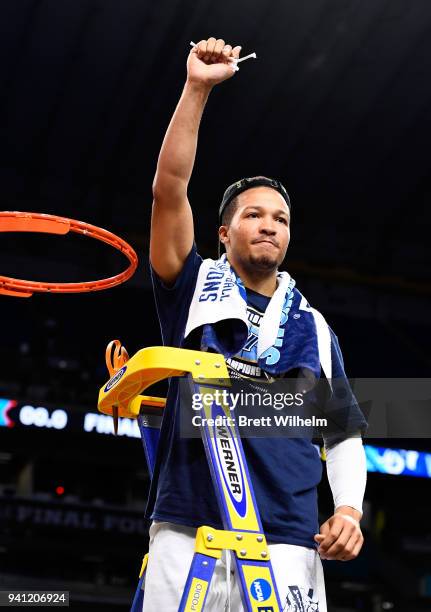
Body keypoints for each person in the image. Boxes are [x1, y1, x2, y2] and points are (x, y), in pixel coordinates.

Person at [142, 37, 368, 612]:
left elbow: (342, 433)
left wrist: (347, 509)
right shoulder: (192, 288)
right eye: (254, 215)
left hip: (290, 538)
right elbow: (169, 190)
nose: (270, 226)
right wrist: (196, 88)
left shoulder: (314, 328)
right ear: (223, 232)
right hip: (189, 525)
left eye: (282, 219)